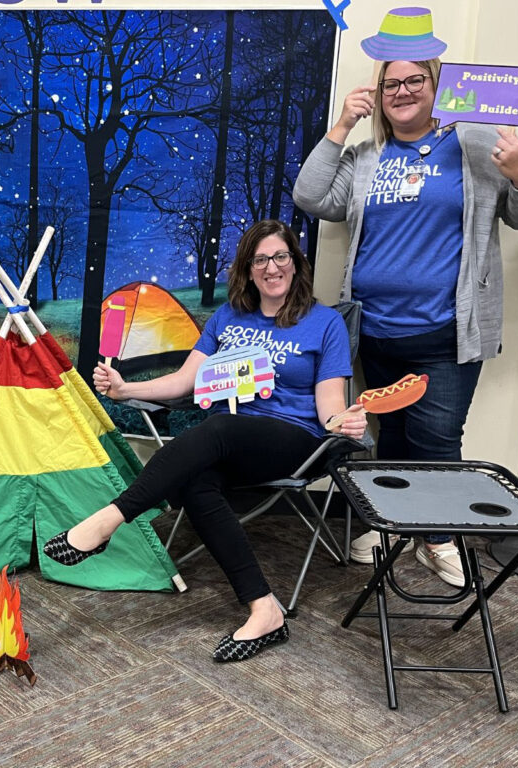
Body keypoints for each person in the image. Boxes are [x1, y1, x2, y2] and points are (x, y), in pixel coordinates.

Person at [292, 7, 518, 586]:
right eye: (391, 84)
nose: (402, 92)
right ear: (379, 93)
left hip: (446, 333)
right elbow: (311, 196)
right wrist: (340, 127)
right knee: (390, 435)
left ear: (437, 85)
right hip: (374, 329)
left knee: (436, 439)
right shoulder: (364, 160)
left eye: (415, 80)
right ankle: (389, 527)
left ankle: (437, 537)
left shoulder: (477, 145)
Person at [42, 219, 367, 662]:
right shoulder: (227, 318)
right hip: (227, 441)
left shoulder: (324, 323)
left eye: (280, 257)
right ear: (248, 269)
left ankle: (109, 520)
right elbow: (183, 382)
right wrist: (125, 389)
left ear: (295, 262)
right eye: (260, 260)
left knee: (215, 428)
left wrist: (342, 422)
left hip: (293, 441)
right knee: (197, 479)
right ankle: (264, 608)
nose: (272, 267)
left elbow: (329, 403)